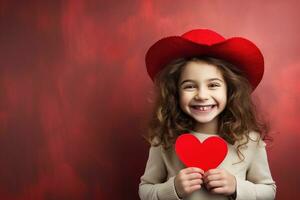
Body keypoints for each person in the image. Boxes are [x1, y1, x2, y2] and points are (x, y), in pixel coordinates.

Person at [138, 29, 276, 200]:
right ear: (176, 93)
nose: (202, 95)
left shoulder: (250, 141)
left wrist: (236, 187)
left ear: (230, 91)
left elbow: (269, 191)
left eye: (213, 85)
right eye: (189, 86)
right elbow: (145, 191)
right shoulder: (164, 140)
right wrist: (173, 188)